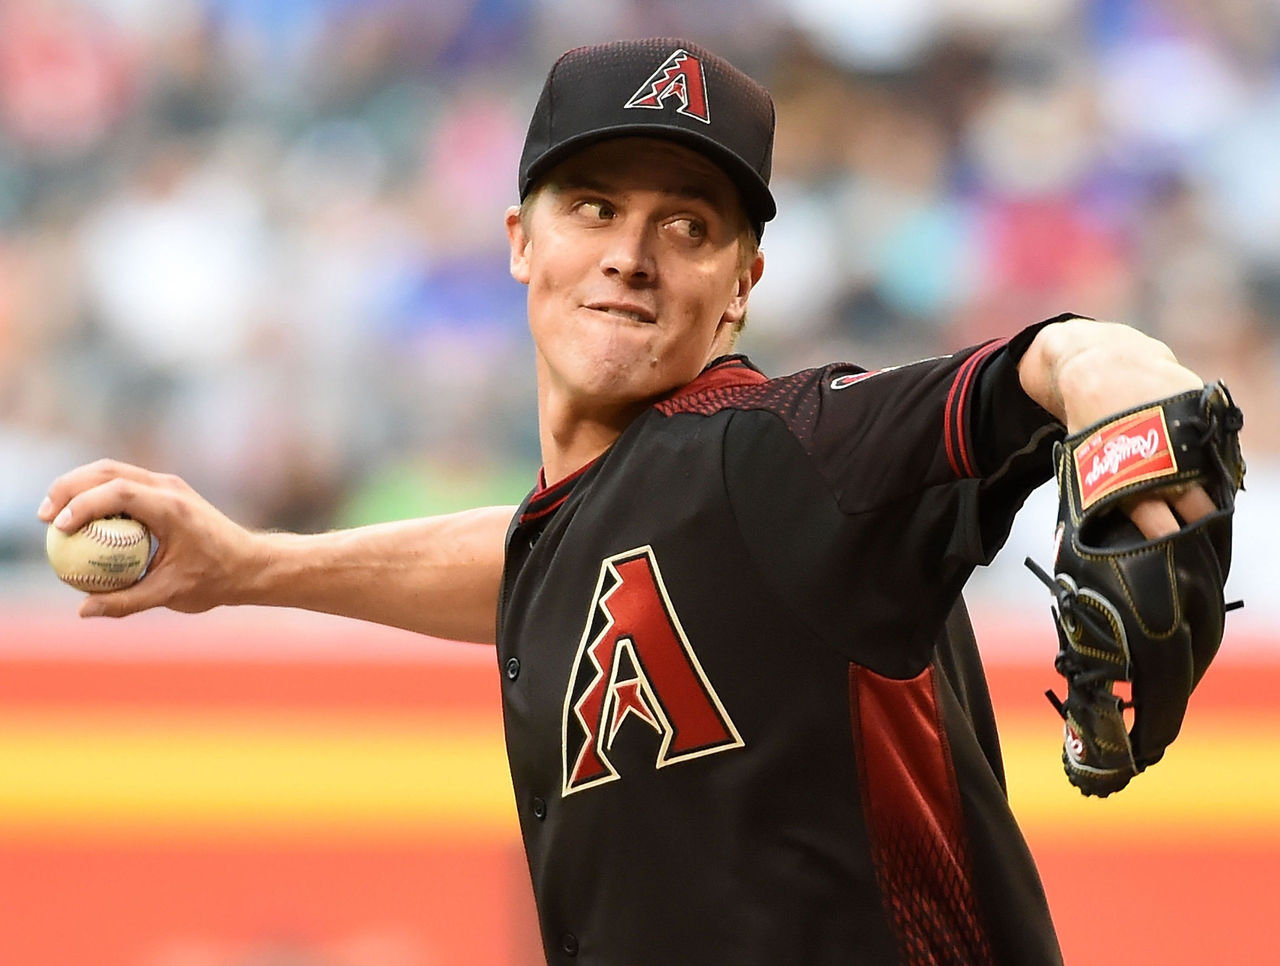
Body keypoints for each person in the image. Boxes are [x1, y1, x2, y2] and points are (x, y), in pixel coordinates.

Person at [40, 38, 1219, 965]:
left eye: (686, 225)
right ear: (521, 241)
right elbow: (535, 559)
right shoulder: (603, 527)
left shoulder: (784, 451)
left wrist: (1114, 396)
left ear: (741, 285)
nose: (630, 254)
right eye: (594, 207)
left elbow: (1063, 362)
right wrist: (251, 566)